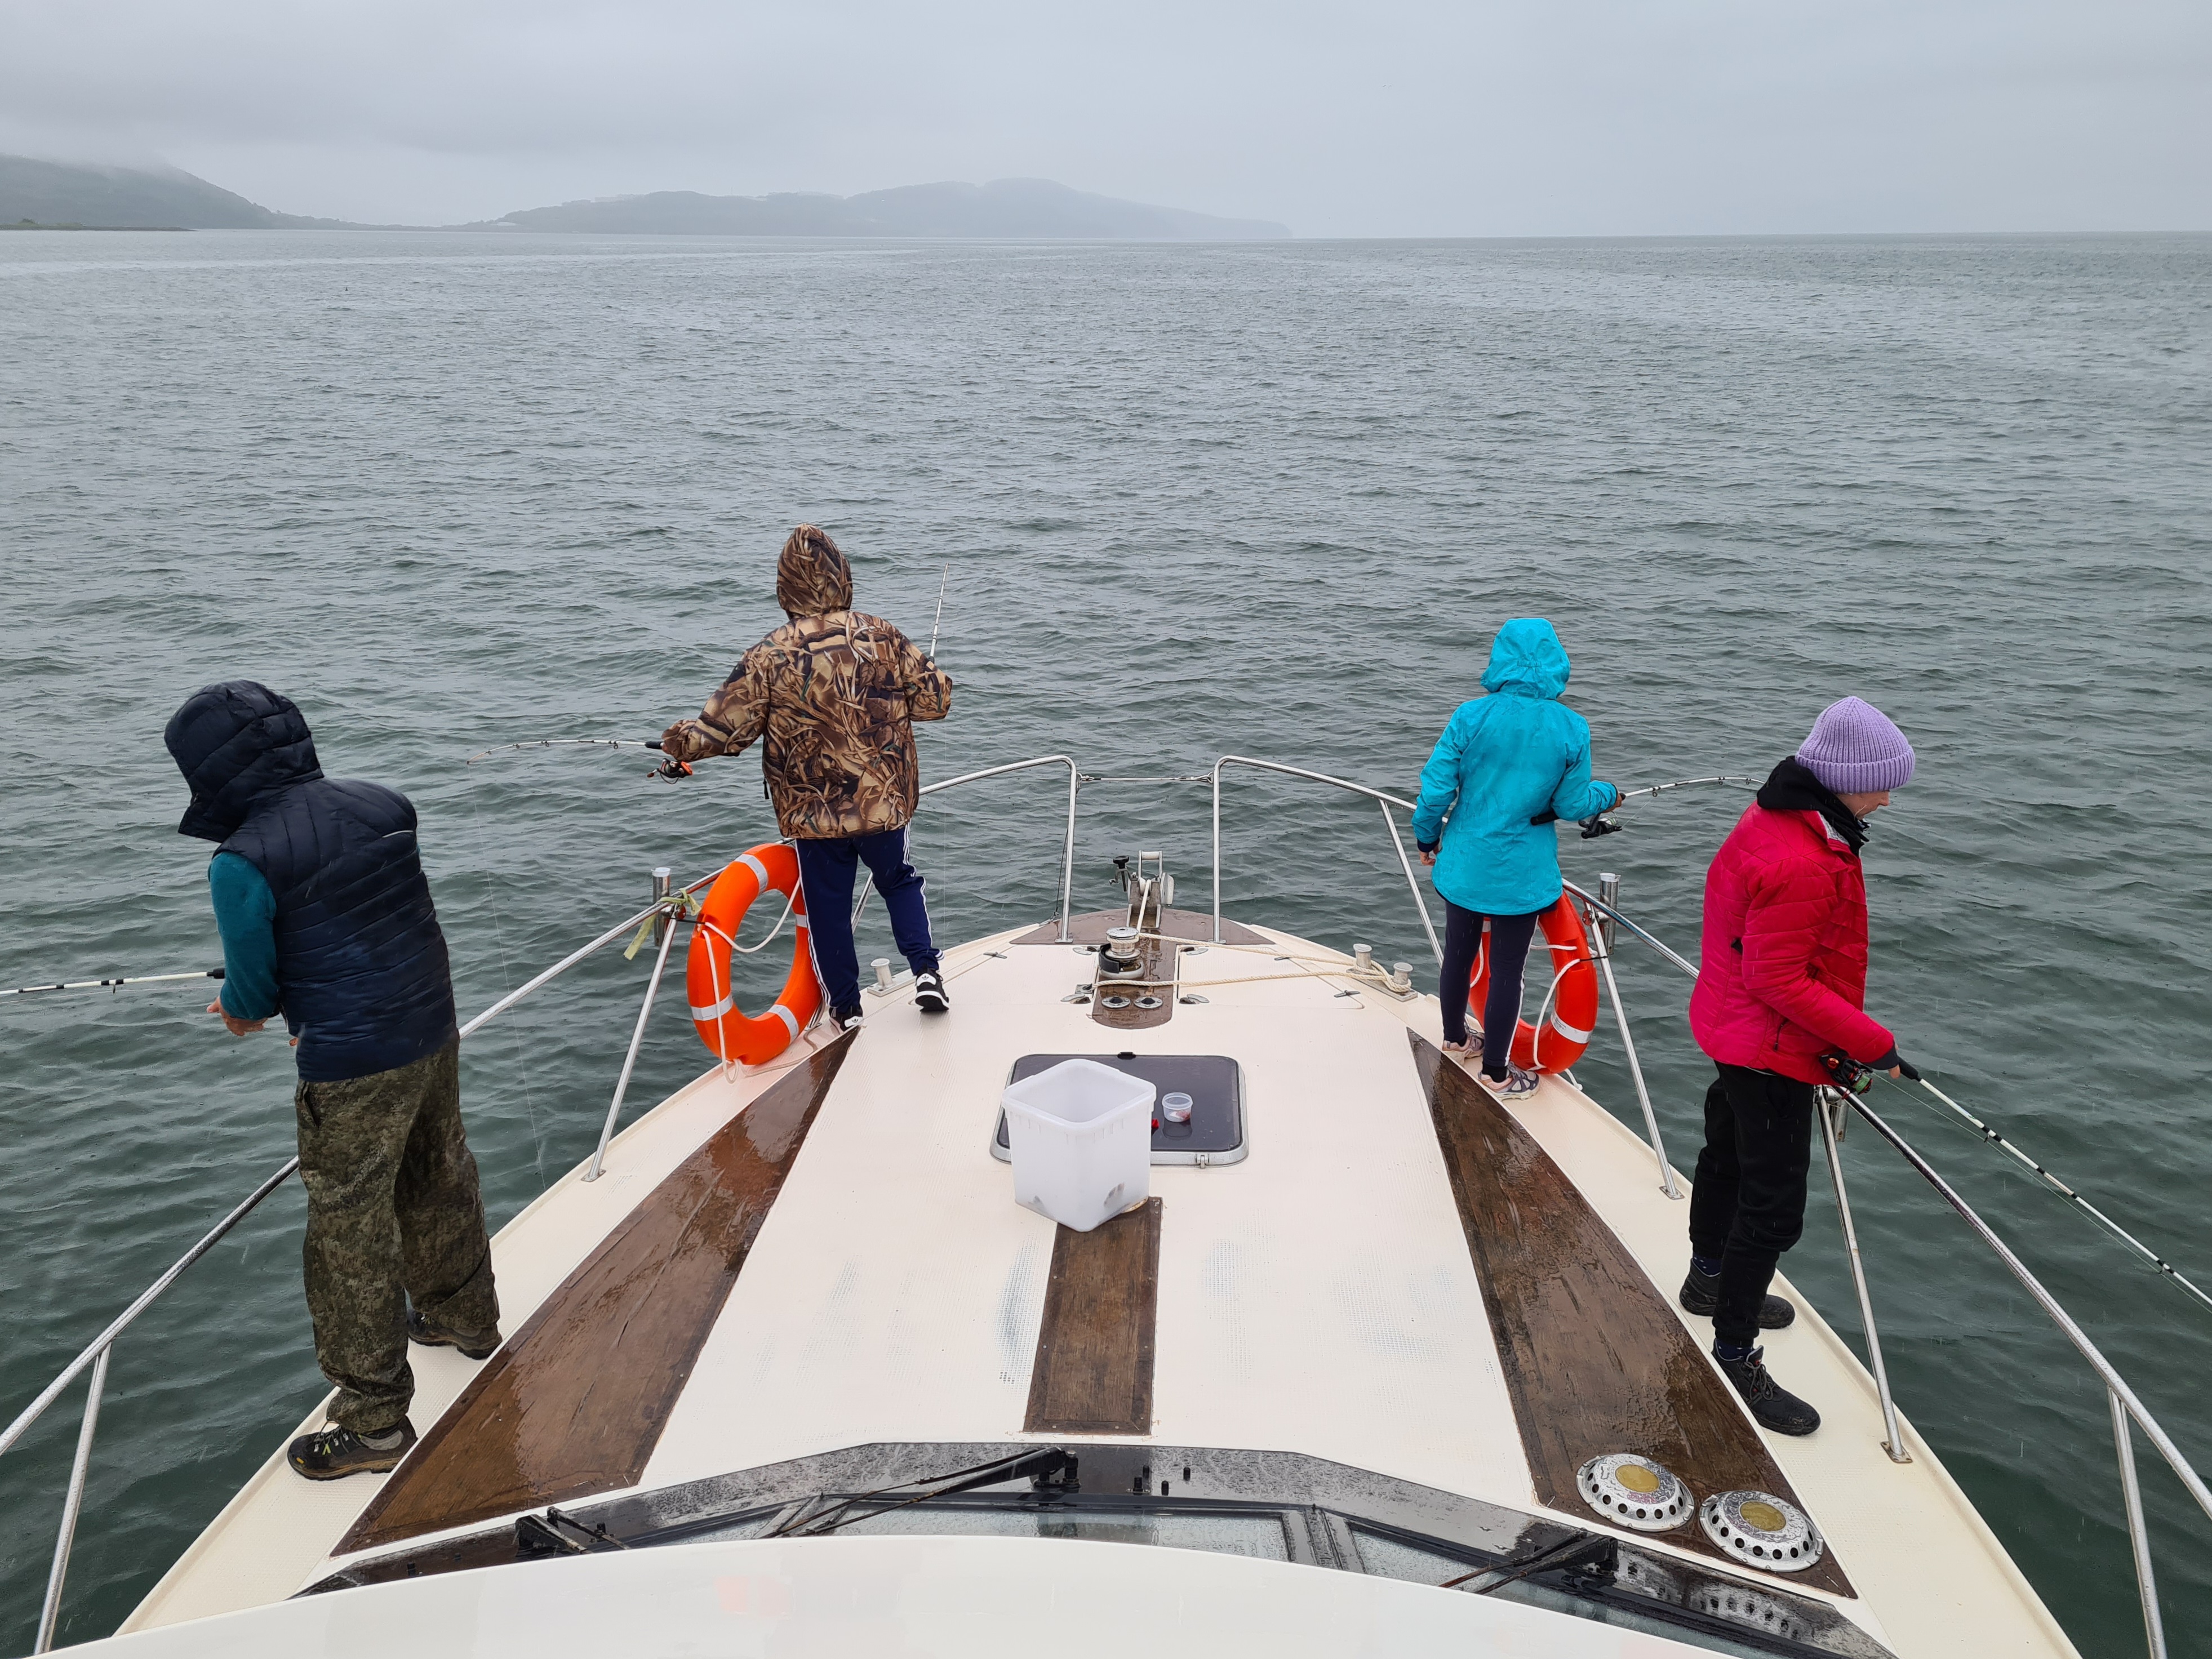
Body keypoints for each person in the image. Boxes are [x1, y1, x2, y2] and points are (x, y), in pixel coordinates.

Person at [166, 681, 500, 1480]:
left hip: (350, 1064)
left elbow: (254, 992)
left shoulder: (240, 862)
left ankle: (374, 1424)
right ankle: (465, 1320)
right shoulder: (385, 804)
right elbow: (361, 921)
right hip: (431, 1024)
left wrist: (238, 1010)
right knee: (440, 1173)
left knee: (350, 1234)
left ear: (210, 772)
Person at [1684, 696, 1921, 1436]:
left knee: (1724, 1157)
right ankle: (1734, 1353)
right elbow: (1777, 978)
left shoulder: (1775, 818)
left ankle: (1706, 1280)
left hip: (1729, 1026)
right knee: (1772, 1209)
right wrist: (1872, 1043)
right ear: (1845, 780)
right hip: (1768, 1049)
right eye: (1882, 785)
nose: (1887, 800)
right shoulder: (1805, 857)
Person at [659, 524, 953, 1031]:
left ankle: (847, 1008)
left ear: (785, 587)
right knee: (899, 881)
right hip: (882, 801)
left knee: (827, 910)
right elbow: (937, 701)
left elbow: (725, 732)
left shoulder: (768, 655)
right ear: (843, 576)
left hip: (813, 812)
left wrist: (677, 744)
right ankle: (926, 970)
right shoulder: (882, 634)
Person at [1411, 618, 1619, 1102]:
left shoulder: (1470, 716)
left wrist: (1427, 838)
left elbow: (1436, 789)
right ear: (1557, 663)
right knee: (1508, 971)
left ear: (1500, 658)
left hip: (1465, 865)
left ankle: (1455, 1038)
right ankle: (1497, 1074)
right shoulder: (1572, 727)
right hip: (1522, 876)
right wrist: (1609, 794)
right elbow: (1572, 804)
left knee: (1458, 953)